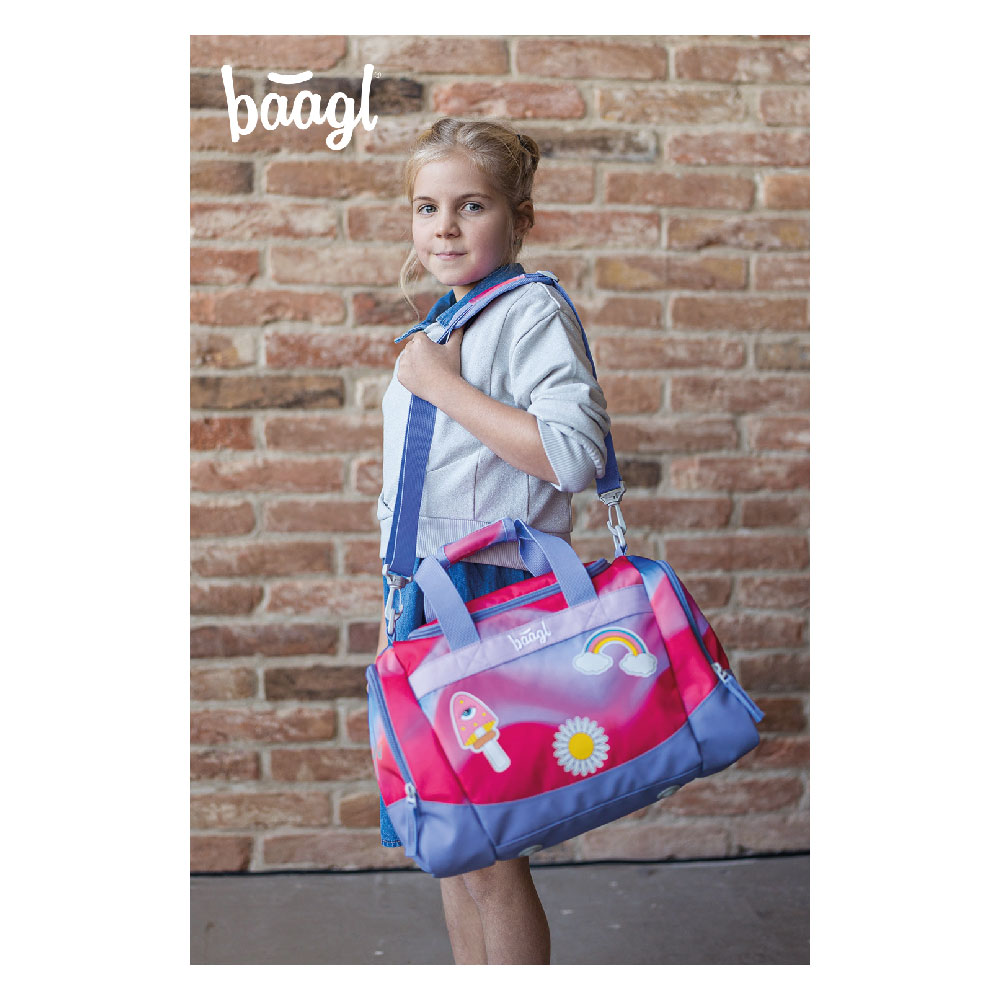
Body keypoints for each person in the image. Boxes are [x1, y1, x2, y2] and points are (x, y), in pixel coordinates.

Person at [373, 117, 611, 965]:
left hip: (491, 604)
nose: (443, 227)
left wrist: (440, 385)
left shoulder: (529, 311)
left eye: (470, 206)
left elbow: (573, 456)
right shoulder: (449, 319)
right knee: (453, 846)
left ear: (520, 217)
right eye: (426, 207)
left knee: (491, 849)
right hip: (428, 599)